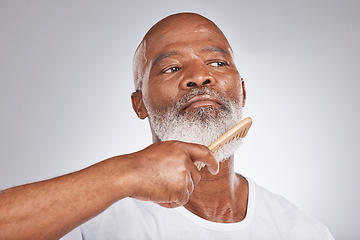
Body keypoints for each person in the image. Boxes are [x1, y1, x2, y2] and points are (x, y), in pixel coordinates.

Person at [0, 13, 334, 240]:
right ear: (139, 104)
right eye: (172, 68)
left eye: (217, 63)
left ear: (242, 90)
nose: (199, 77)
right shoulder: (90, 217)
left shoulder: (303, 232)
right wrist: (126, 172)